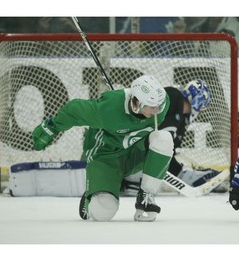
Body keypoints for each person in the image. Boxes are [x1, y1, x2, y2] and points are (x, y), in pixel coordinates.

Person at [32, 75, 173, 222]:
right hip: (105, 157)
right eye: (152, 106)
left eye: (159, 105)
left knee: (164, 138)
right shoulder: (108, 108)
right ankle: (91, 196)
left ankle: (146, 196)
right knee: (103, 213)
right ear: (136, 103)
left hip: (134, 152)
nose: (157, 110)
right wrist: (51, 127)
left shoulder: (161, 105)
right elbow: (74, 110)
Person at [122, 79, 222, 195]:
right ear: (198, 101)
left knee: (155, 185)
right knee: (152, 185)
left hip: (131, 161)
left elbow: (166, 156)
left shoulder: (180, 122)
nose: (200, 110)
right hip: (130, 158)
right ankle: (133, 180)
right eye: (202, 106)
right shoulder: (174, 97)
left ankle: (131, 181)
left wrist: (183, 174)